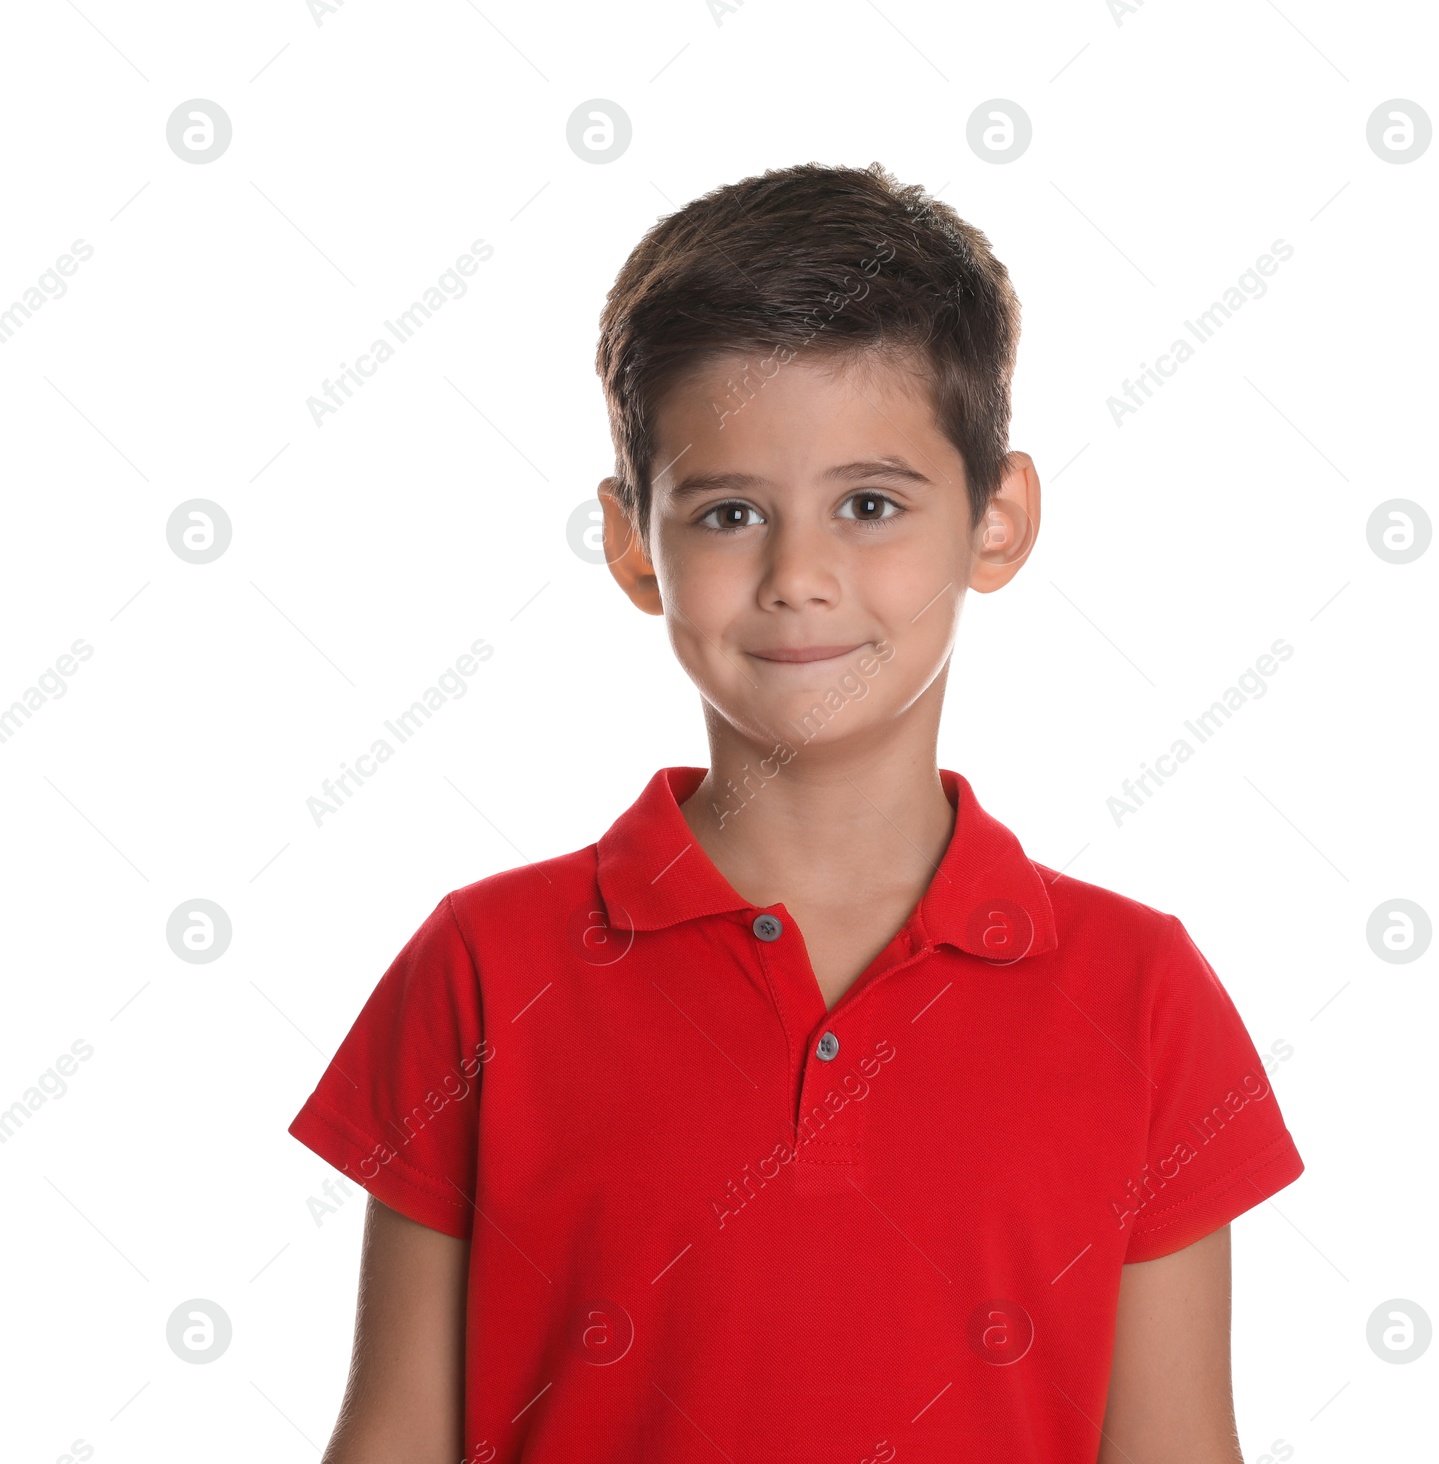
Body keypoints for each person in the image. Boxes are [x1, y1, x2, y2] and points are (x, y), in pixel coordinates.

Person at [288, 160, 1306, 1464]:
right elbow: (393, 1441)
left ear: (997, 522)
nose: (799, 578)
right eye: (729, 514)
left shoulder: (1143, 995)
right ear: (632, 545)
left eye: (869, 505)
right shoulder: (486, 968)